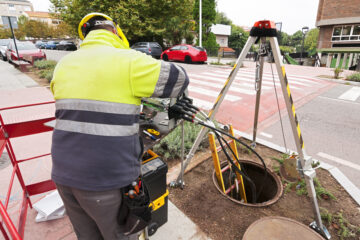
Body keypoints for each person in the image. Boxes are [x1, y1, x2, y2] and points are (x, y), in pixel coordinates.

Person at [50, 12, 189, 240]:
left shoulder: (63, 65)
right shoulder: (128, 60)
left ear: (85, 35)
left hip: (63, 175)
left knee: (87, 235)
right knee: (118, 235)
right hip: (104, 180)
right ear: (115, 32)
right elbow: (180, 78)